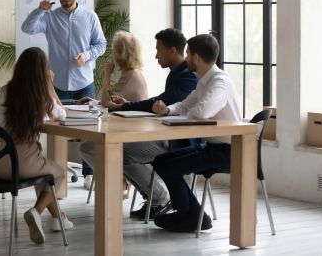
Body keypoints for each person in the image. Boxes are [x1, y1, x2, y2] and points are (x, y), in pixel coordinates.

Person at [80, 28, 199, 220]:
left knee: (121, 153)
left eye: (158, 50)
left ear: (172, 51)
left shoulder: (187, 76)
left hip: (178, 141)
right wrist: (126, 104)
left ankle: (159, 198)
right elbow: (159, 101)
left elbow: (161, 103)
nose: (155, 55)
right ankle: (155, 197)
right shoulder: (177, 73)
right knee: (112, 151)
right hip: (165, 134)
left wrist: (126, 105)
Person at [21, 0, 106, 186]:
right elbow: (27, 28)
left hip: (84, 82)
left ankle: (89, 173)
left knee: (90, 131)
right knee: (56, 128)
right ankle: (58, 175)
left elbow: (101, 44)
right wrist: (39, 9)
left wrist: (86, 56)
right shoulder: (49, 17)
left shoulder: (90, 17)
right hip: (57, 85)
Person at [151, 33, 241, 233]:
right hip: (212, 147)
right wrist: (167, 110)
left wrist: (186, 112)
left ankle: (189, 215)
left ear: (197, 58)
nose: (186, 58)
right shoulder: (205, 80)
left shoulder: (220, 82)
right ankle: (192, 214)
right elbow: (185, 105)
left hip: (228, 151)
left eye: (188, 54)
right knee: (161, 161)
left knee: (169, 165)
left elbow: (202, 112)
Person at [0, 47, 74, 245]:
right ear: (42, 72)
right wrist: (50, 86)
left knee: (44, 173)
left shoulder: (0, 92)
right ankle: (36, 211)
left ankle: (57, 219)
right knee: (58, 172)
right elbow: (63, 114)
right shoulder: (40, 97)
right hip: (24, 163)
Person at [79, 30, 148, 195]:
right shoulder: (133, 73)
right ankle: (119, 179)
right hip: (126, 127)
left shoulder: (130, 76)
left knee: (87, 148)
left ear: (120, 53)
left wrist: (107, 76)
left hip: (129, 133)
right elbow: (112, 103)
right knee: (90, 146)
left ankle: (117, 180)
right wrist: (92, 101)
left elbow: (106, 103)